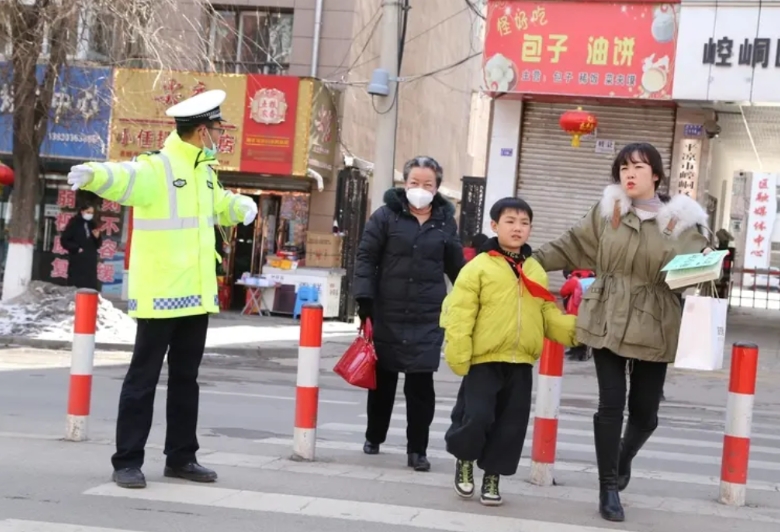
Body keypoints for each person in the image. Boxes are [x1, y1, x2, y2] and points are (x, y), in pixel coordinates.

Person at [66, 90, 258, 489]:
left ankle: (182, 457)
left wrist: (238, 205)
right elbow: (124, 178)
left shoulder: (205, 170)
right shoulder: (158, 166)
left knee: (186, 380)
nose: (220, 135)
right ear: (202, 130)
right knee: (143, 379)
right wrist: (95, 174)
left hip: (196, 293)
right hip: (159, 295)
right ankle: (127, 461)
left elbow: (215, 203)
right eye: (217, 128)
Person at [532, 142, 710, 522]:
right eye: (623, 167)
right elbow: (569, 245)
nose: (629, 174)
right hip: (606, 317)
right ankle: (608, 486)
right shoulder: (607, 212)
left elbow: (695, 275)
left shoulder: (682, 223)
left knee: (645, 414)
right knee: (610, 404)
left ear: (657, 175)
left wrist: (708, 265)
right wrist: (525, 262)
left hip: (655, 321)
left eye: (638, 167)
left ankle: (623, 457)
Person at [441, 197, 577, 506]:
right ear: (494, 225)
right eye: (510, 221)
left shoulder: (535, 270)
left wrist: (580, 330)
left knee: (510, 425)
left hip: (520, 363)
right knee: (476, 417)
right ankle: (464, 460)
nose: (518, 228)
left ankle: (492, 475)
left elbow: (547, 315)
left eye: (524, 223)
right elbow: (461, 311)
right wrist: (458, 349)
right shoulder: (477, 267)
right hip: (484, 359)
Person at [353, 155, 464, 472]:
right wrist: (365, 301)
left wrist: (477, 290)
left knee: (420, 386)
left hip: (427, 315)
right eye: (414, 182)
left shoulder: (444, 222)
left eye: (427, 184)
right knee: (383, 380)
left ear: (437, 188)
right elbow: (366, 258)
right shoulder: (385, 216)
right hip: (388, 309)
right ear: (404, 184)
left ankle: (418, 450)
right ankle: (375, 435)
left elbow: (456, 266)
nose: (420, 188)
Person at [60, 201, 101, 290]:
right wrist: (76, 248)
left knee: (90, 285)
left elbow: (97, 244)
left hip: (90, 259)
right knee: (77, 284)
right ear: (82, 211)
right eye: (88, 212)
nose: (90, 215)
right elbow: (65, 240)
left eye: (92, 213)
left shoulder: (92, 224)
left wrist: (97, 237)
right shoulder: (74, 223)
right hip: (78, 259)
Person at [560, 269, 596, 361]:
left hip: (574, 310)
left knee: (574, 330)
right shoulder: (594, 280)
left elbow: (563, 292)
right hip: (590, 311)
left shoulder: (574, 281)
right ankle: (583, 351)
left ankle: (576, 351)